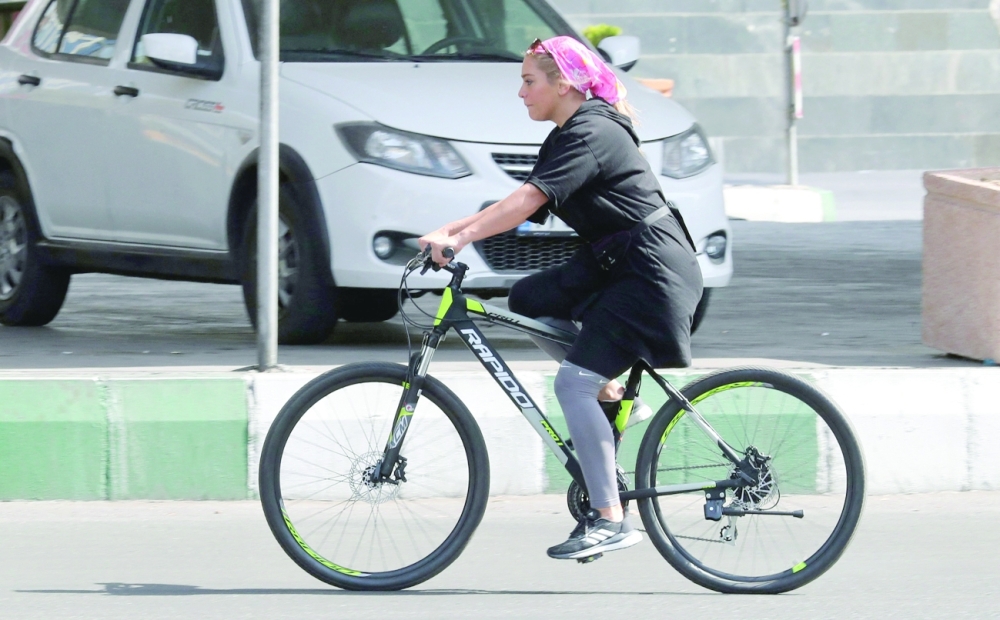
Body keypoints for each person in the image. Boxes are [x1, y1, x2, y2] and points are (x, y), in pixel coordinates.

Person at [419, 36, 704, 561]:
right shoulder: (567, 135)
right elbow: (520, 202)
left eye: (529, 81)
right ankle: (612, 395)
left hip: (649, 273)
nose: (521, 93)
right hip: (615, 262)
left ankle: (610, 519)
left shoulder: (592, 132)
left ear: (564, 83)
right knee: (531, 298)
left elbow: (529, 199)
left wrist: (460, 239)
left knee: (573, 383)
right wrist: (451, 229)